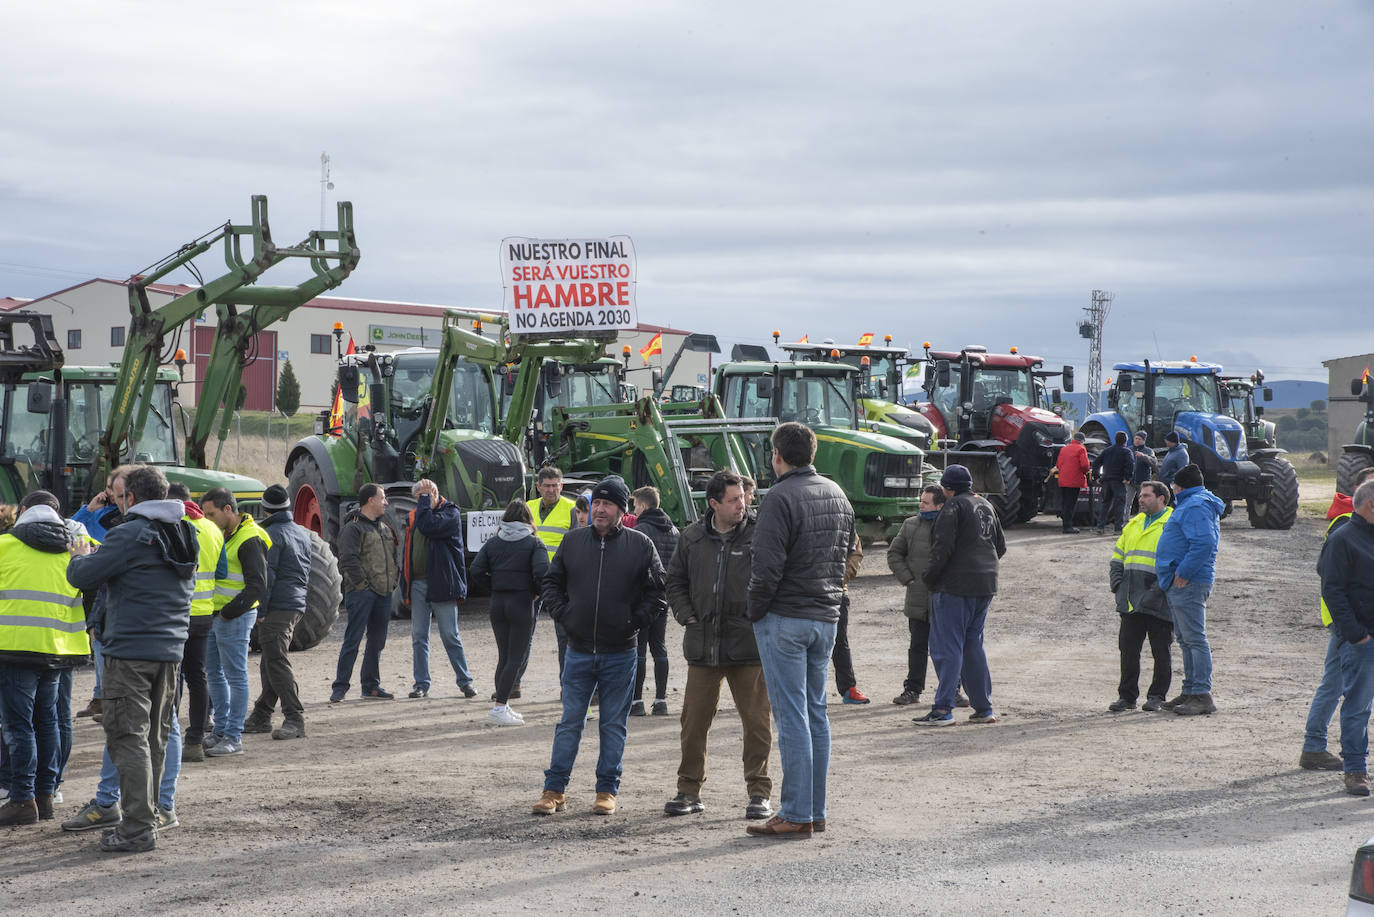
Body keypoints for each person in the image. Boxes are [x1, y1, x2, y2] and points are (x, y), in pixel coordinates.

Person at [66, 465, 198, 853]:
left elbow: (84, 576)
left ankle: (137, 827)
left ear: (133, 498)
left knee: (128, 737)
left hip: (131, 651)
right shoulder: (184, 532)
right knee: (155, 737)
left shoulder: (129, 534)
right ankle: (151, 814)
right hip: (170, 651)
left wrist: (79, 555)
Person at [531, 475, 666, 818]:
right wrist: (564, 615)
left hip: (620, 653)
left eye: (608, 504)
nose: (600, 510)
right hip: (577, 651)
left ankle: (606, 790)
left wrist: (634, 621)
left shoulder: (640, 545)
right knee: (569, 722)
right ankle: (554, 790)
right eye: (597, 504)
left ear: (622, 509)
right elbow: (551, 582)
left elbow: (658, 591)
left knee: (613, 725)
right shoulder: (574, 542)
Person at [745, 422, 854, 839]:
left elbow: (766, 566)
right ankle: (814, 810)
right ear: (813, 452)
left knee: (792, 717)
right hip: (825, 616)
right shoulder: (837, 493)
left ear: (777, 455)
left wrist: (754, 610)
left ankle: (795, 812)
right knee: (815, 714)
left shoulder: (779, 498)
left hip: (785, 617)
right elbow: (846, 553)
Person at [663, 470, 773, 821]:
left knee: (757, 724)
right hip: (703, 646)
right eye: (734, 500)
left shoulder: (761, 534)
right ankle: (688, 791)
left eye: (743, 498)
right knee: (693, 724)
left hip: (748, 647)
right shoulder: (691, 538)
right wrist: (685, 615)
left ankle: (759, 794)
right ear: (714, 504)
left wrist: (760, 616)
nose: (742, 504)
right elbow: (674, 580)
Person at [0, 492, 90, 827]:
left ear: (22, 512)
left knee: (17, 726)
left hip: (14, 648)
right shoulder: (76, 550)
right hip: (58, 650)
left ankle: (22, 800)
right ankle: (45, 796)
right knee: (48, 722)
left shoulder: (5, 546)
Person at [914, 463, 1006, 727]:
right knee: (972, 644)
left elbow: (941, 550)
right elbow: (1000, 546)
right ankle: (983, 707)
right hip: (985, 585)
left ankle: (943, 709)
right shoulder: (985, 504)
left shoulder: (953, 507)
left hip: (954, 587)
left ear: (948, 488)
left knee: (948, 646)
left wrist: (930, 578)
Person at [1302, 465, 1374, 770]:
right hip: (1346, 622)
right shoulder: (1345, 525)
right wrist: (1353, 629)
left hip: (1351, 623)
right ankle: (1316, 746)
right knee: (1336, 686)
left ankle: (1313, 746)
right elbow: (1329, 578)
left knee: (1335, 684)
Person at [199, 488, 269, 757]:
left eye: (211, 514)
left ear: (228, 510)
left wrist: (228, 613)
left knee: (235, 676)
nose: (207, 519)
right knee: (215, 675)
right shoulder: (224, 535)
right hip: (217, 616)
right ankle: (221, 732)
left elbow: (257, 585)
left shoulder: (250, 539)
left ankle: (233, 737)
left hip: (233, 617)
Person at [470, 499, 548, 726]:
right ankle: (499, 708)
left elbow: (475, 570)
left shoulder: (493, 542)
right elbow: (543, 572)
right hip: (522, 603)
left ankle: (502, 705)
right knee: (515, 658)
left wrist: (492, 587)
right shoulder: (534, 543)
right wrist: (536, 592)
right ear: (528, 519)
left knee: (503, 656)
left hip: (498, 603)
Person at [242, 484, 310, 740]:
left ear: (265, 509)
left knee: (276, 661)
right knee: (271, 659)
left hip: (277, 606)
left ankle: (295, 717)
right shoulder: (301, 533)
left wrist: (261, 609)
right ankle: (262, 713)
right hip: (296, 604)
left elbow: (266, 577)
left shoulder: (268, 534)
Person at [1319, 479, 1374, 796]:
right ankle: (1355, 770)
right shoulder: (1344, 539)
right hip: (1363, 641)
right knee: (1357, 708)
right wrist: (1356, 634)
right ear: (1370, 506)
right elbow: (1332, 590)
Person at [1155, 463, 1224, 716]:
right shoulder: (1194, 503)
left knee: (1194, 638)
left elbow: (1204, 543)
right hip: (1182, 582)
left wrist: (1183, 573)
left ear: (1178, 486)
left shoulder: (1194, 505)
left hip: (1188, 582)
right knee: (1186, 639)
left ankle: (1202, 694)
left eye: (1173, 484)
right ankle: (1191, 691)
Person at [401, 478, 476, 700]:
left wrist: (425, 500)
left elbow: (429, 526)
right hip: (417, 584)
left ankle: (465, 682)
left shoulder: (450, 513)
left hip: (443, 584)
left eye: (427, 496)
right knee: (419, 636)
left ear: (435, 493)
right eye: (420, 498)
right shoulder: (415, 516)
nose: (424, 502)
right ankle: (421, 684)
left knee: (450, 635)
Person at [163, 483, 222, 763]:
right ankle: (195, 740)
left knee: (172, 677)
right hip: (203, 614)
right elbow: (220, 571)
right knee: (198, 675)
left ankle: (168, 735)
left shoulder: (170, 525)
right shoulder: (212, 528)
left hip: (175, 612)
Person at [1107, 481, 1174, 712]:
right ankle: (1126, 697)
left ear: (1161, 499)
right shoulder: (1133, 524)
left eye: (1146, 496)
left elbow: (1172, 565)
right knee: (1128, 651)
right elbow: (1117, 557)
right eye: (1140, 496)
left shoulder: (1172, 525)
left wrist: (1156, 592)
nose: (1141, 499)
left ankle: (1157, 696)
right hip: (1130, 600)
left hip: (1159, 601)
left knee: (1161, 652)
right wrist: (1117, 583)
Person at [71, 467, 130, 722]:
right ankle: (99, 697)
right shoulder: (102, 512)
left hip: (104, 580)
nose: (107, 493)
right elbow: (73, 527)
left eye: (112, 489)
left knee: (101, 642)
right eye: (107, 488)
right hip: (94, 579)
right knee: (98, 642)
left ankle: (105, 697)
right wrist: (90, 508)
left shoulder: (123, 522)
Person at [332, 483, 399, 702]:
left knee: (377, 641)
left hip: (383, 592)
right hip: (362, 593)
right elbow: (347, 559)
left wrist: (393, 581)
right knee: (353, 640)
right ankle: (340, 687)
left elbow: (392, 557)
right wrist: (362, 585)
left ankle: (370, 686)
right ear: (370, 501)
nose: (386, 502)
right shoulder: (353, 528)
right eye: (383, 498)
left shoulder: (384, 528)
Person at [886, 484, 945, 706]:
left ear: (939, 505)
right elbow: (894, 554)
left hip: (943, 599)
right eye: (920, 501)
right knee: (917, 647)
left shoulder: (950, 525)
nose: (920, 505)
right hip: (918, 600)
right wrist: (908, 579)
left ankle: (952, 690)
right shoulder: (910, 525)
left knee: (946, 649)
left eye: (926, 502)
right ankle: (912, 690)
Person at [629, 485, 678, 717]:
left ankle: (636, 701)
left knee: (639, 647)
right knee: (659, 647)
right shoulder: (675, 531)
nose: (634, 509)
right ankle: (661, 701)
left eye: (636, 505)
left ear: (644, 505)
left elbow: (636, 567)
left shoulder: (640, 530)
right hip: (664, 596)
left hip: (643, 597)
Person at [527, 466, 577, 682]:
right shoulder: (527, 508)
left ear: (561, 486)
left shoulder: (572, 509)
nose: (551, 490)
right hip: (532, 581)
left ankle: (567, 684)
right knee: (523, 635)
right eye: (546, 486)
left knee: (565, 637)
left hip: (561, 582)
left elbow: (578, 546)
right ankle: (514, 684)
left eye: (555, 486)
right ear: (538, 487)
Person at [831, 537, 870, 704]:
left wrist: (840, 579)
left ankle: (848, 689)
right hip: (804, 592)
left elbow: (855, 553)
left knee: (840, 642)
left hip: (837, 593)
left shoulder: (845, 517)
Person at [1092, 431, 1134, 536]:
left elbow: (1096, 463)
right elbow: (1130, 465)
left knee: (1105, 504)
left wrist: (1097, 476)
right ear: (1126, 440)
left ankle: (1100, 527)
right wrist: (1127, 478)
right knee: (1119, 504)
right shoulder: (1126, 452)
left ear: (1115, 440)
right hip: (1119, 481)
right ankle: (1118, 528)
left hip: (1106, 481)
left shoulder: (1107, 451)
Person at [1055, 432, 1090, 534]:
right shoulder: (1081, 449)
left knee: (1065, 503)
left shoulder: (1064, 448)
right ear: (1082, 441)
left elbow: (1058, 464)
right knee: (1071, 504)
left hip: (1063, 479)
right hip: (1074, 480)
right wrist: (1085, 472)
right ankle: (1067, 527)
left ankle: (1065, 524)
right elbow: (1085, 465)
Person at [1128, 431, 1158, 515]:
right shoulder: (1129, 450)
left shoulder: (1149, 451)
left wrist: (1143, 456)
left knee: (1143, 504)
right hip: (1130, 481)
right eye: (1136, 438)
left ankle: (1141, 522)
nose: (1137, 440)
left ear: (1144, 441)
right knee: (1127, 503)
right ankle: (1125, 522)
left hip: (1143, 482)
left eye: (1139, 439)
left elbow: (1154, 462)